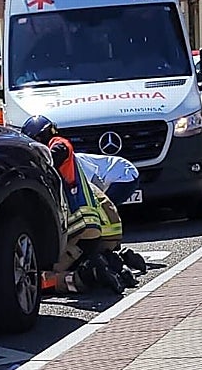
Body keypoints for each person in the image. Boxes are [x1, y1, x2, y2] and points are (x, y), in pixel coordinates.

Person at [21, 115, 143, 294]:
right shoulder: (79, 171)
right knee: (83, 258)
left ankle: (87, 276)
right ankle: (116, 263)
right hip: (100, 230)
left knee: (41, 280)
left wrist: (34, 161)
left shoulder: (59, 146)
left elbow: (59, 149)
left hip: (80, 228)